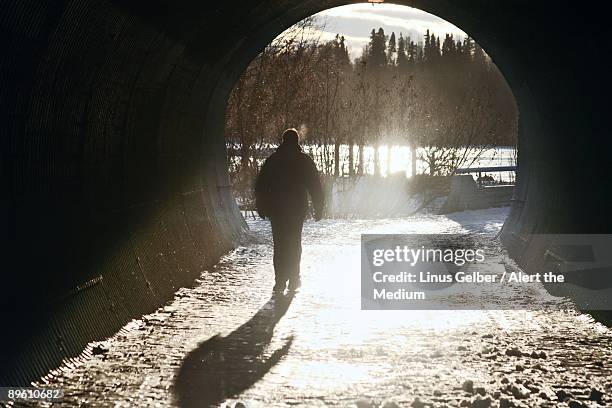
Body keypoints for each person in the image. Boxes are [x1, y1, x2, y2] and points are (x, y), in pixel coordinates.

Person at [255, 128, 324, 293]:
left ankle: (280, 281)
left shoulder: (274, 160)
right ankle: (294, 279)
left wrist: (261, 205)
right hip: (297, 208)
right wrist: (319, 207)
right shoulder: (304, 160)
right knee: (294, 243)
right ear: (297, 142)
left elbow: (262, 185)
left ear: (283, 141)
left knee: (280, 245)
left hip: (277, 209)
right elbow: (315, 185)